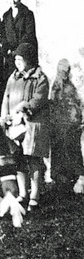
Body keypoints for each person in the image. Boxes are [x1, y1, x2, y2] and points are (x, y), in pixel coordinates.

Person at [0, 43, 49, 212]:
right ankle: (23, 193)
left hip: (32, 125)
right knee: (19, 159)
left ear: (29, 60)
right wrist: (4, 115)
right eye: (16, 60)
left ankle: (34, 195)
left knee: (34, 159)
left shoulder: (40, 78)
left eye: (21, 59)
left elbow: (39, 99)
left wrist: (25, 106)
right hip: (15, 125)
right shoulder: (13, 77)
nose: (17, 63)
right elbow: (6, 97)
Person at [49, 59, 84, 188]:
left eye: (65, 71)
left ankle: (76, 177)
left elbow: (77, 106)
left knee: (73, 150)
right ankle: (60, 177)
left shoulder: (70, 87)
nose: (63, 74)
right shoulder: (56, 86)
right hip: (58, 125)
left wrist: (77, 121)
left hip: (70, 126)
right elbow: (52, 104)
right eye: (61, 71)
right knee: (59, 150)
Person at [1, 0, 37, 78]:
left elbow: (29, 34)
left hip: (25, 54)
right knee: (12, 78)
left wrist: (18, 50)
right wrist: (6, 48)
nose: (12, 1)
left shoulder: (28, 14)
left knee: (25, 77)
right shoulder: (6, 16)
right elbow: (3, 34)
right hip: (11, 54)